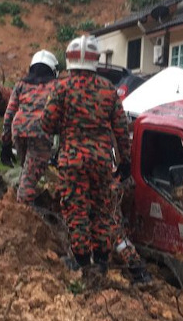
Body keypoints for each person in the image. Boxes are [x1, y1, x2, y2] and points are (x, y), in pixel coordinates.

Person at [40, 35, 133, 280]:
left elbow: (46, 124)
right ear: (96, 59)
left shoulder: (61, 87)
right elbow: (122, 130)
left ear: (69, 60)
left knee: (76, 210)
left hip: (72, 161)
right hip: (102, 162)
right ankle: (101, 262)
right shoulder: (108, 89)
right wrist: (125, 161)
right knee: (102, 210)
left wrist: (65, 124)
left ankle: (82, 262)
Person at [0, 50, 58, 204]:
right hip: (40, 132)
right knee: (31, 175)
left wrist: (5, 143)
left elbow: (9, 113)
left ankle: (20, 198)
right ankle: (23, 209)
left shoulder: (21, 84)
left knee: (28, 170)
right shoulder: (56, 85)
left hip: (18, 131)